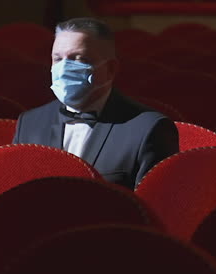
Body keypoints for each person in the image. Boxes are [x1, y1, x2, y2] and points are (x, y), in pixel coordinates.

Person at [13, 17, 179, 189]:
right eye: (57, 59)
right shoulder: (29, 123)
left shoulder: (147, 129)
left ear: (110, 69)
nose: (63, 69)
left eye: (78, 59)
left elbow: (152, 208)